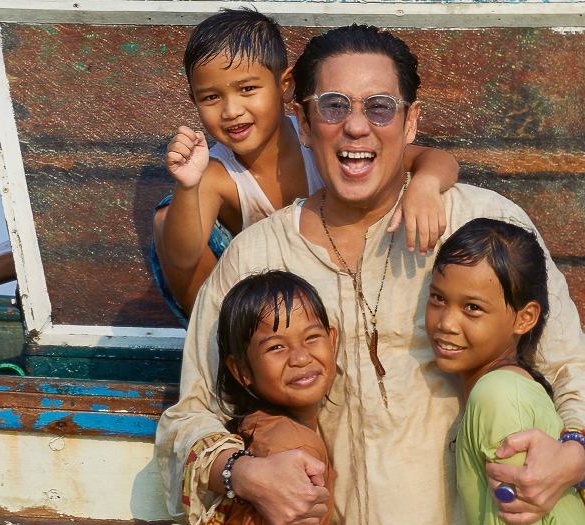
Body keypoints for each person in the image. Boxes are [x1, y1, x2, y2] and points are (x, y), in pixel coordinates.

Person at [155, 24, 585, 525]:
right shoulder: (256, 258)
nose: (356, 127)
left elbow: (573, 368)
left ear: (411, 121)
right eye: (333, 107)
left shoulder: (480, 226)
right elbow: (191, 414)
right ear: (303, 122)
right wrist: (243, 473)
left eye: (379, 108)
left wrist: (572, 457)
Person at [151, 8, 459, 321]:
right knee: (167, 218)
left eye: (247, 89)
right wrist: (187, 186)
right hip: (263, 296)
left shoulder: (321, 134)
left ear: (285, 85)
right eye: (211, 97)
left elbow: (436, 159)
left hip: (332, 268)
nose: (231, 110)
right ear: (194, 100)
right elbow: (181, 258)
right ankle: (221, 335)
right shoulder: (218, 174)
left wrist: (425, 183)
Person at [427, 218, 585, 525]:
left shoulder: (498, 396)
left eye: (472, 308)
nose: (446, 323)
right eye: (438, 298)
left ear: (525, 318)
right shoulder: (507, 390)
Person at [208, 270, 337, 525]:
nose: (300, 358)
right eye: (276, 347)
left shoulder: (259, 426)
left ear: (332, 340)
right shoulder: (294, 448)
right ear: (241, 370)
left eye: (311, 337)